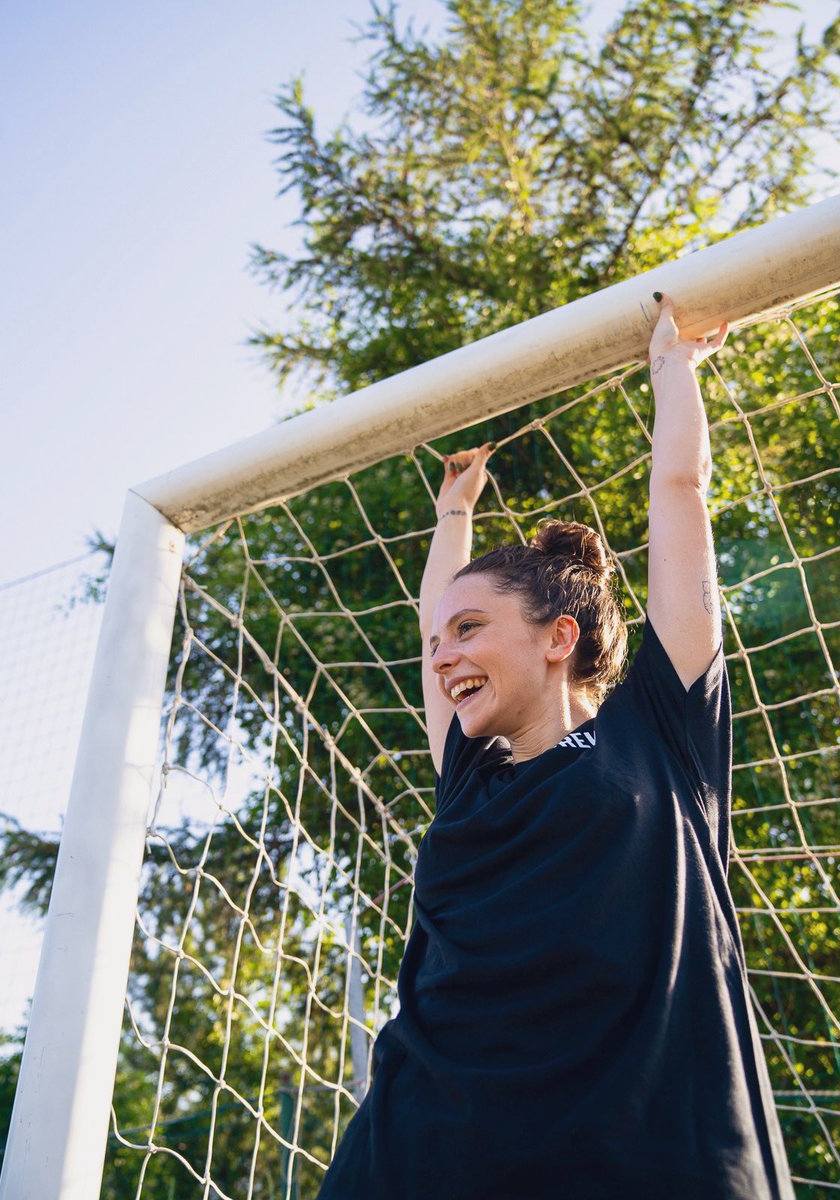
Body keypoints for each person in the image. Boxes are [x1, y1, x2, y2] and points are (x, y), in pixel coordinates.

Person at [314, 295, 795, 1199]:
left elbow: (680, 495)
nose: (444, 654)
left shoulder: (661, 728)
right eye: (438, 643)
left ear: (558, 636)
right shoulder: (471, 776)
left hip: (642, 1154)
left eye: (470, 627)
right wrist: (454, 513)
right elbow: (433, 621)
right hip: (418, 1157)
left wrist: (672, 367)